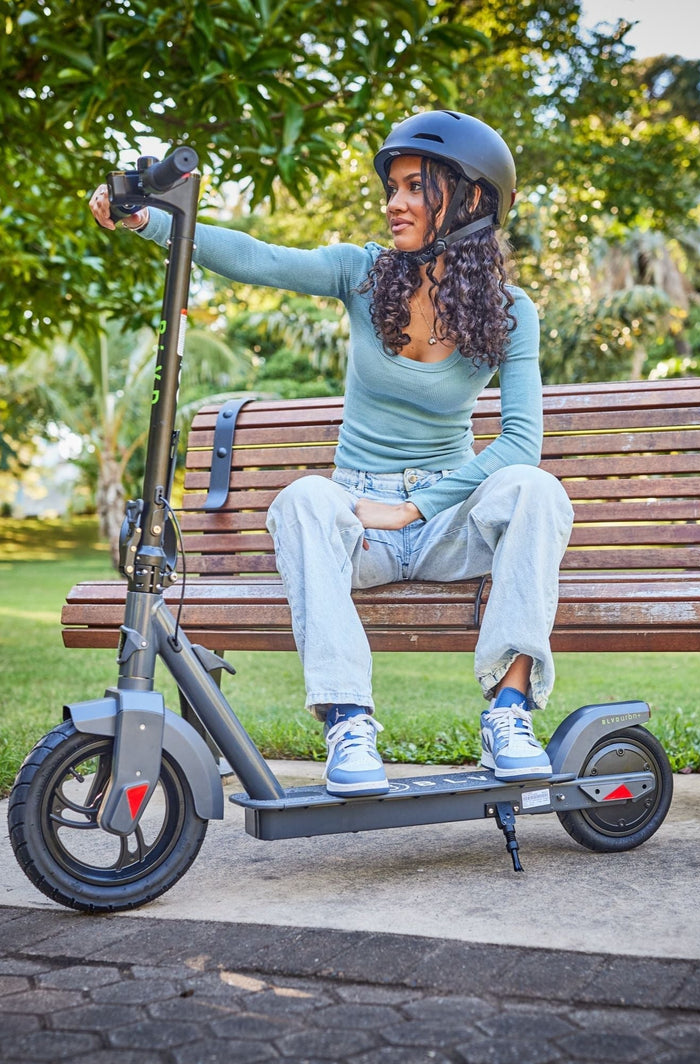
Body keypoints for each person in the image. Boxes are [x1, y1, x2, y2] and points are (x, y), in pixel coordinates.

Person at [90, 110, 575, 799]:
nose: (394, 203)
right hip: (361, 525)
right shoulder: (363, 274)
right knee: (302, 500)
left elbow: (521, 442)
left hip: (444, 522)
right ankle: (348, 723)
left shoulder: (511, 309)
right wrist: (151, 222)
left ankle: (510, 712)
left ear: (469, 200)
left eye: (415, 187)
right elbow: (258, 257)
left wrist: (413, 507)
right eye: (393, 187)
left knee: (537, 488)